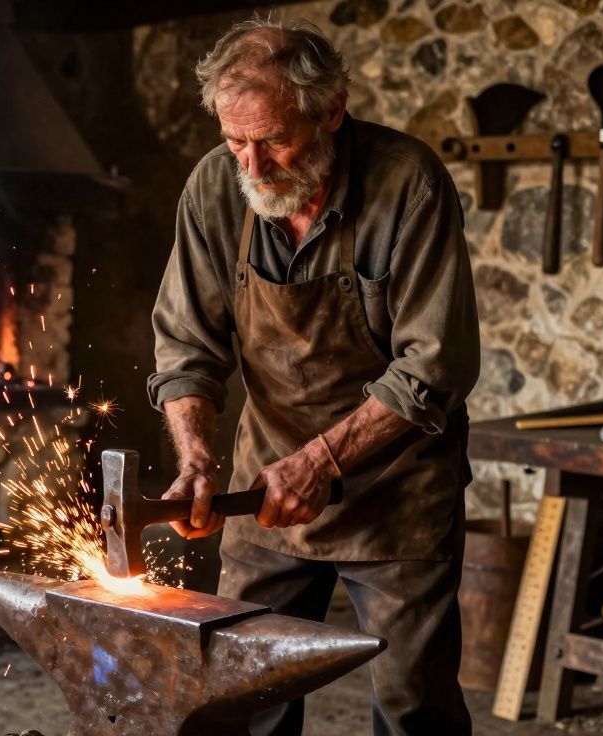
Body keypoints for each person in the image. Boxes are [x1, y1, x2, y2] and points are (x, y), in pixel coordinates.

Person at [146, 17, 480, 736]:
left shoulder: (407, 184)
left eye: (273, 139)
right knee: (245, 691)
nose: (254, 167)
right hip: (264, 487)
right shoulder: (215, 188)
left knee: (411, 703)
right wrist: (198, 456)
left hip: (398, 492)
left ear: (331, 109)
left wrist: (325, 460)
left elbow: (435, 365)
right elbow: (184, 344)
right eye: (236, 141)